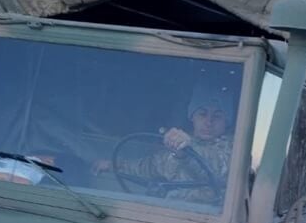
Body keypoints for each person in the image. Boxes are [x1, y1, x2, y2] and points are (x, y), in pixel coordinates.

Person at [96, 85, 234, 204]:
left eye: (217, 116)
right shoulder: (176, 147)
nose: (208, 122)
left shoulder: (234, 150)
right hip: (164, 216)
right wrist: (114, 165)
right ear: (192, 117)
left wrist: (186, 150)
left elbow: (216, 169)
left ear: (226, 122)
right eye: (202, 114)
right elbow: (148, 166)